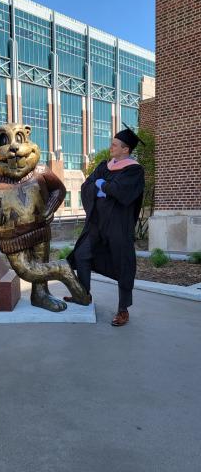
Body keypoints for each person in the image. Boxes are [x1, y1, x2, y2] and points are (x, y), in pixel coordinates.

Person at [66, 125, 145, 326]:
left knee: (123, 264)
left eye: (114, 144)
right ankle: (84, 295)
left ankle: (123, 310)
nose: (111, 147)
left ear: (125, 149)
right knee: (82, 254)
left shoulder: (134, 170)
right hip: (96, 224)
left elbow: (122, 193)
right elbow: (87, 186)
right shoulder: (104, 165)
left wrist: (102, 186)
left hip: (118, 227)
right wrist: (103, 188)